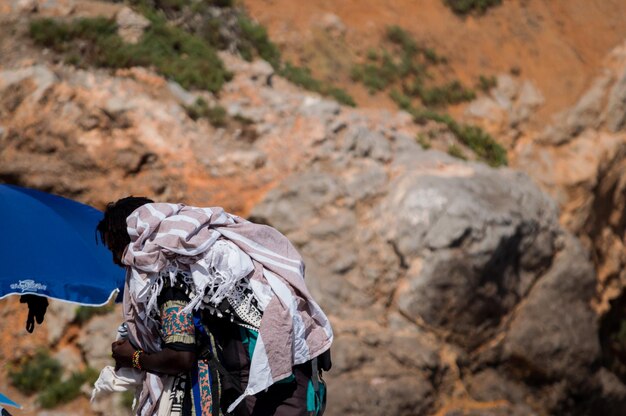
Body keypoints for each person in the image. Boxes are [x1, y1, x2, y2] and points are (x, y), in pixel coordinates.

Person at [97, 197, 332, 416]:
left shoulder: (171, 277)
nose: (117, 260)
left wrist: (134, 357)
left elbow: (180, 357)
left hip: (266, 401)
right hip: (298, 386)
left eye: (115, 249)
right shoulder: (226, 257)